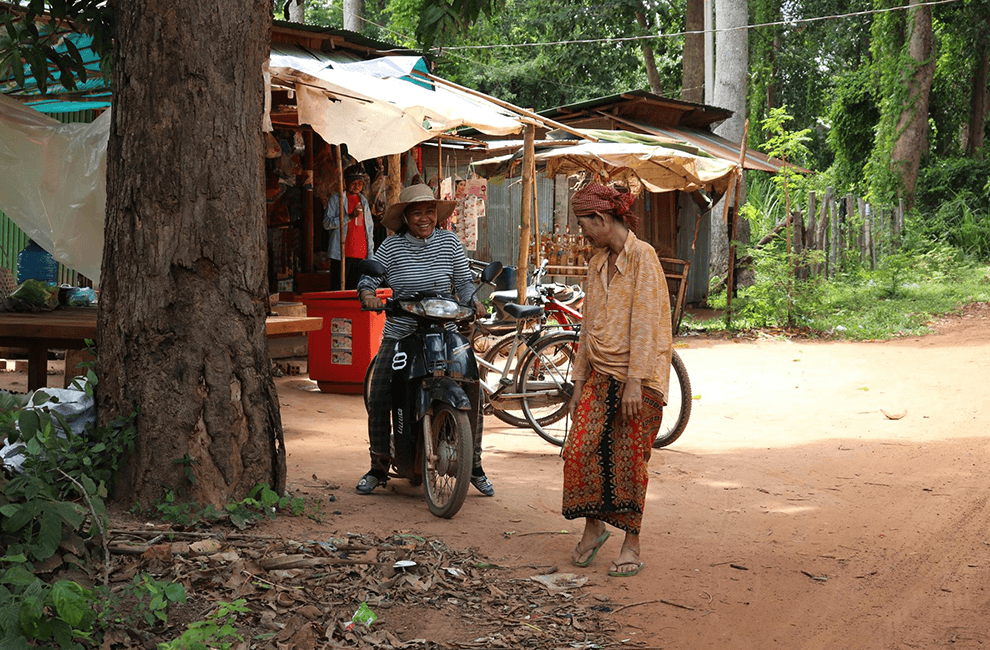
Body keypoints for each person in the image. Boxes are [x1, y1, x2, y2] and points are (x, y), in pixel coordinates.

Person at [355, 184, 495, 497]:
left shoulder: (449, 242)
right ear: (405, 217)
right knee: (379, 392)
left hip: (445, 330)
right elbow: (371, 276)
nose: (424, 218)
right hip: (402, 331)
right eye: (417, 212)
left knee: (473, 388)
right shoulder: (390, 248)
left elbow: (462, 282)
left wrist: (474, 302)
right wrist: (367, 294)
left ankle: (474, 465)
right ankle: (378, 466)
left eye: (429, 211)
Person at [562, 182, 672, 578]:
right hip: (600, 372)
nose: (582, 233)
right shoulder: (596, 263)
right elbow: (588, 326)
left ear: (603, 219)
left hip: (639, 378)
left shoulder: (643, 257)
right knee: (579, 451)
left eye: (583, 224)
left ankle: (632, 544)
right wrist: (577, 384)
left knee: (628, 461)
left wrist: (633, 383)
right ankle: (593, 529)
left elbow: (647, 325)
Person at [324, 165, 375, 290]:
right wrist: (349, 217)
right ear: (346, 182)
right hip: (341, 254)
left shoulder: (363, 201)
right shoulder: (337, 199)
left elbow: (369, 229)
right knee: (339, 290)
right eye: (353, 182)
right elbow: (327, 224)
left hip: (361, 254)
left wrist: (370, 254)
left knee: (357, 291)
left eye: (360, 183)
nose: (357, 186)